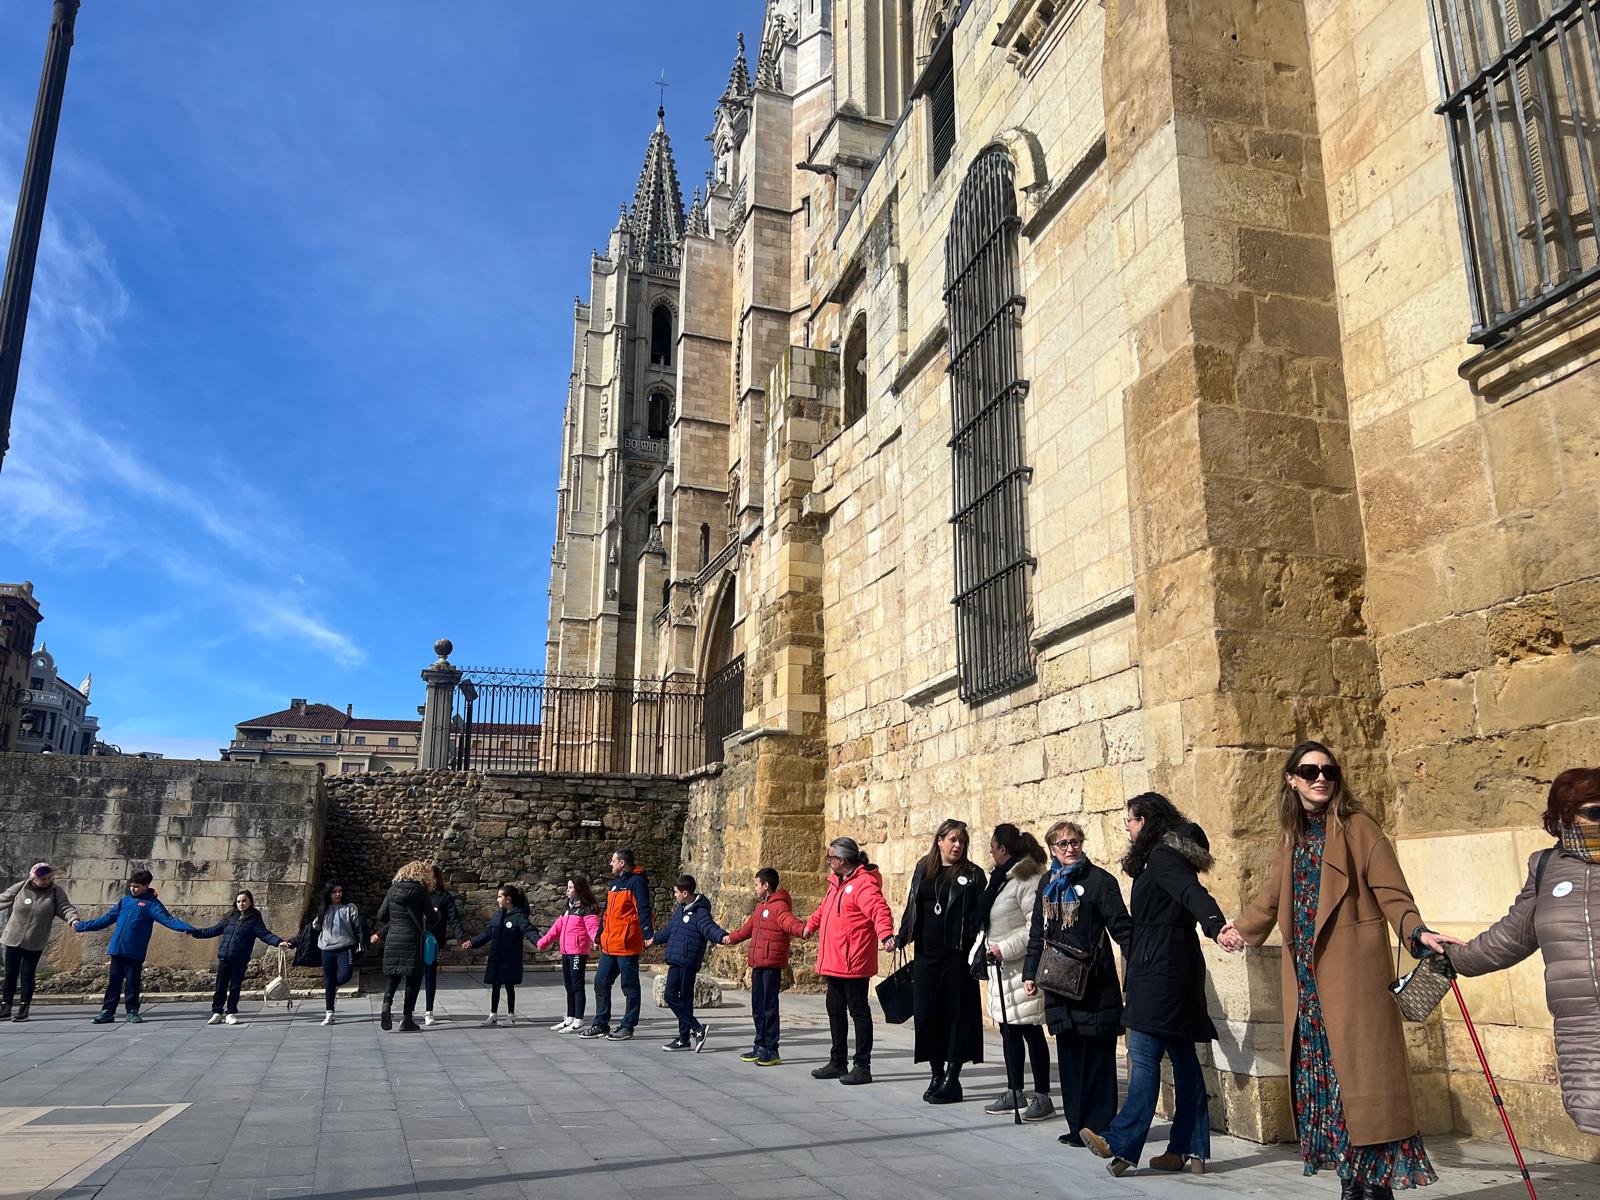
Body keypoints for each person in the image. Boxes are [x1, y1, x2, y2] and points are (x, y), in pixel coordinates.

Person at [1235, 742, 1460, 1198]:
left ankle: (1375, 1189)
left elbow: (1393, 893)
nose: (1321, 778)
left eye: (1329, 771)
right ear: (1291, 779)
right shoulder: (1291, 837)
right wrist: (1238, 931)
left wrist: (1418, 933)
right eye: (1309, 770)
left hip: (1353, 984)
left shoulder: (1358, 828)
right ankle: (1350, 1184)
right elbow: (1272, 899)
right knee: (1328, 1090)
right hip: (1308, 989)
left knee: (1363, 1092)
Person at [1080, 793, 1241, 1177]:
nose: (1128, 829)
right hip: (1174, 966)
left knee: (1143, 1052)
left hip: (1160, 970)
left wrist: (1217, 926)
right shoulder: (1166, 855)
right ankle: (1191, 1149)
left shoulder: (1163, 857)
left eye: (1131, 822)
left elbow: (1192, 894)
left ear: (1147, 821)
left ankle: (1119, 1141)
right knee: (1183, 1059)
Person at [1449, 767, 1600, 1135]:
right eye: (1595, 813)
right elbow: (1512, 936)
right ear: (1565, 816)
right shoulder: (1546, 868)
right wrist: (1453, 958)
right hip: (1581, 1027)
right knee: (1594, 1114)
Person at [1023, 820, 1132, 1147]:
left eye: (1075, 842)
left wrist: (1139, 967)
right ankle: (1076, 1126)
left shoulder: (1100, 881)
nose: (1071, 848)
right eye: (1063, 844)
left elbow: (1122, 929)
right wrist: (1030, 973)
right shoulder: (1047, 883)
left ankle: (1099, 1128)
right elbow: (1037, 933)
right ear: (1053, 849)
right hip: (1058, 984)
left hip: (1094, 983)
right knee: (1069, 1058)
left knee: (1098, 1059)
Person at [894, 818, 987, 1104]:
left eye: (961, 840)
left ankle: (953, 1076)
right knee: (927, 1014)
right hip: (926, 955)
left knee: (958, 1015)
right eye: (952, 839)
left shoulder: (973, 875)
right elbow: (913, 904)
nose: (957, 845)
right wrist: (901, 935)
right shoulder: (924, 868)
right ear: (940, 840)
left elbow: (979, 917)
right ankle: (936, 1072)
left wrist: (978, 950)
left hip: (957, 956)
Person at [975, 823, 1053, 1121]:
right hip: (1001, 970)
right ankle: (1014, 1090)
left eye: (992, 848)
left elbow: (1037, 926)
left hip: (1022, 968)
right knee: (1009, 1031)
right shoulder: (1001, 878)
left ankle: (1043, 1096)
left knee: (1031, 1031)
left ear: (1002, 849)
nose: (991, 853)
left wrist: (1004, 949)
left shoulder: (1028, 878)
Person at [803, 836, 895, 1085]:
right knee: (834, 1010)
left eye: (830, 857)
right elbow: (825, 909)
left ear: (841, 860)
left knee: (858, 1012)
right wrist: (810, 925)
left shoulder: (863, 884)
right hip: (834, 961)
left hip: (853, 961)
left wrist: (886, 934)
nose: (827, 861)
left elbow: (879, 909)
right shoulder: (837, 883)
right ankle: (837, 1061)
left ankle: (862, 1066)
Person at [73, 869, 196, 1024]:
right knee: (114, 982)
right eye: (131, 886)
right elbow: (106, 919)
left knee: (132, 981)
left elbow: (168, 920)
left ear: (146, 886)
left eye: (137, 886)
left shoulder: (152, 904)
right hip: (117, 949)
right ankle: (108, 1011)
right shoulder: (124, 901)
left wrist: (188, 928)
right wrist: (82, 926)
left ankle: (132, 1011)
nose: (133, 889)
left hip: (134, 951)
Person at [726, 866, 807, 1065]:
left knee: (769, 1008)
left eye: (756, 884)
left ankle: (772, 1048)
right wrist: (730, 938)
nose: (754, 888)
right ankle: (759, 1044)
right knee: (757, 1007)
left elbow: (790, 923)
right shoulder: (760, 907)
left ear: (766, 885)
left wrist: (805, 930)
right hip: (758, 964)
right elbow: (747, 929)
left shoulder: (779, 906)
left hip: (770, 965)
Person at [648, 874, 730, 1052]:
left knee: (678, 998)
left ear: (685, 893)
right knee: (675, 997)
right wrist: (654, 939)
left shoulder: (700, 911)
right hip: (676, 959)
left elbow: (709, 928)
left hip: (687, 960)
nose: (675, 895)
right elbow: (670, 929)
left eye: (676, 892)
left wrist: (722, 936)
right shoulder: (681, 908)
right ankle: (685, 1037)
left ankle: (696, 1029)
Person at [579, 848, 654, 1042]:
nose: (610, 864)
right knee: (601, 981)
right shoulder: (615, 885)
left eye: (613, 861)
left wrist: (648, 933)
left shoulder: (636, 882)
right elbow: (606, 913)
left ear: (622, 863)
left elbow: (644, 908)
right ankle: (601, 1023)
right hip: (610, 943)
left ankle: (628, 1026)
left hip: (626, 943)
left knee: (629, 986)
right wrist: (599, 935)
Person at [188, 890, 293, 1024]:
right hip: (225, 957)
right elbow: (213, 930)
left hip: (240, 959)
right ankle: (217, 1012)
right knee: (220, 986)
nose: (241, 904)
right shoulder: (230, 917)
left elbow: (264, 934)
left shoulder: (254, 919)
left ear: (250, 902)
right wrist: (195, 932)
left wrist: (278, 942)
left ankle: (231, 1013)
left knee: (235, 987)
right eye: (238, 901)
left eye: (244, 901)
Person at [0, 863, 78, 1022]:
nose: (46, 881)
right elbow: (4, 898)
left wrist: (73, 919)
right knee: (10, 973)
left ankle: (24, 1008)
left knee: (27, 974)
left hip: (35, 941)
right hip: (13, 938)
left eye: (49, 878)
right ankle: (5, 1006)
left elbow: (65, 908)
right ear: (33, 878)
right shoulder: (21, 887)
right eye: (42, 878)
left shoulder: (56, 892)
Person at [460, 884, 539, 1026]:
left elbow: (529, 930)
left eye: (499, 897)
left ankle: (511, 1015)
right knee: (495, 985)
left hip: (510, 958)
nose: (497, 900)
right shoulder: (497, 915)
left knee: (509, 986)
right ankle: (493, 1014)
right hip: (496, 957)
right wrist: (472, 942)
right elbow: (487, 933)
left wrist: (540, 942)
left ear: (508, 899)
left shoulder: (519, 917)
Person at [370, 860, 433, 1032]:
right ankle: (407, 1019)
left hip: (393, 938)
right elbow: (433, 920)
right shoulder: (421, 892)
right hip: (412, 939)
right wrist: (436, 912)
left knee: (394, 975)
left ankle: (386, 1004)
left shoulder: (392, 890)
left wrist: (393, 923)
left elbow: (381, 915)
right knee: (413, 977)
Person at [537, 876, 600, 1032]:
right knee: (569, 985)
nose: (568, 890)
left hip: (578, 952)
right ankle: (570, 1017)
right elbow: (556, 929)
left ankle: (578, 1019)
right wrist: (542, 942)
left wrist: (597, 940)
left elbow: (593, 929)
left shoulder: (587, 909)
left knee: (577, 985)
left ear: (579, 890)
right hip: (566, 951)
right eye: (568, 887)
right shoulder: (568, 909)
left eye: (571, 887)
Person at [310, 881, 363, 1026]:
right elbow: (315, 927)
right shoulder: (324, 910)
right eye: (334, 892)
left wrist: (361, 942)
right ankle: (329, 1012)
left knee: (346, 975)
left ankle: (333, 986)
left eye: (340, 891)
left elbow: (357, 926)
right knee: (329, 980)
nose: (338, 894)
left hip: (344, 948)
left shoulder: (349, 908)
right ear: (329, 894)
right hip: (327, 949)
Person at [423, 865, 466, 1027]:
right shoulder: (418, 894)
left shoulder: (444, 897)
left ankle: (429, 1011)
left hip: (432, 941)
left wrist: (462, 937)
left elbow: (454, 918)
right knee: (412, 975)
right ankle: (408, 1010)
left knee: (430, 974)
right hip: (415, 939)